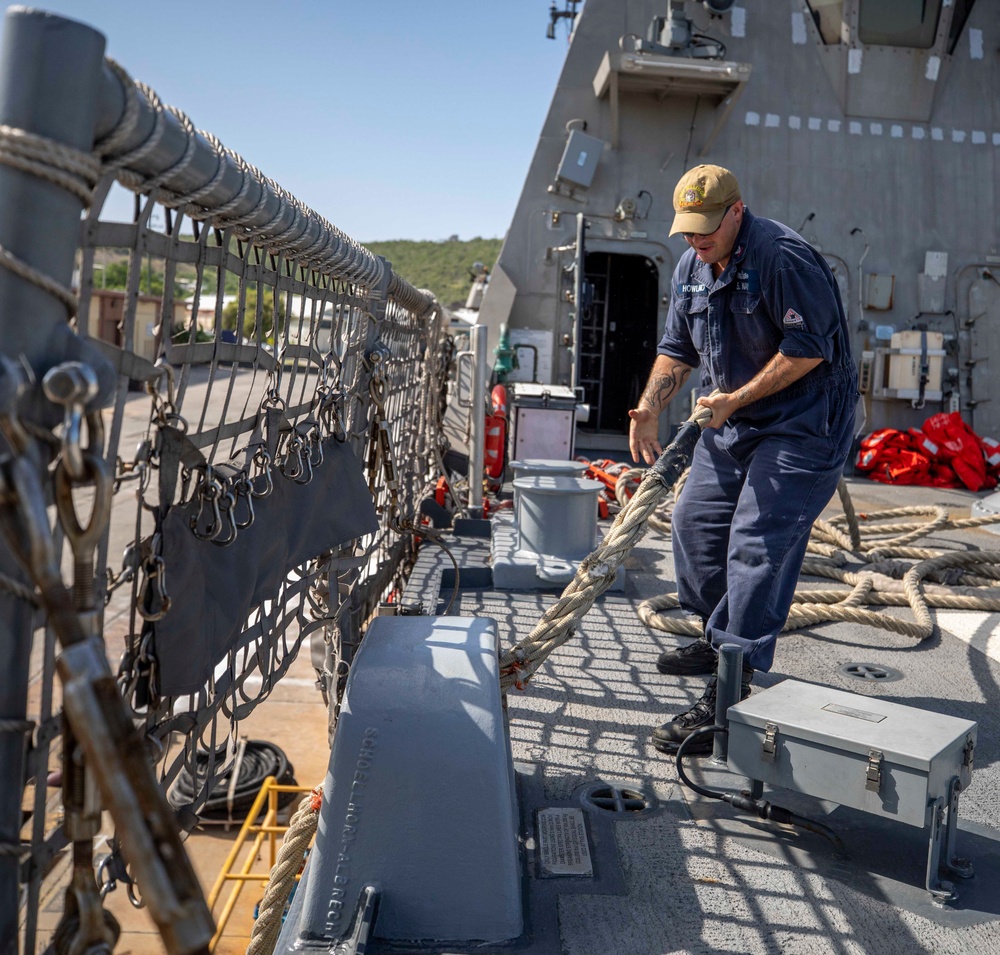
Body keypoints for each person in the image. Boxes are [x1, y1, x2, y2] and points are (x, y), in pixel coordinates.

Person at [628, 164, 858, 755]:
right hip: (733, 427)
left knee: (756, 546)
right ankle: (715, 641)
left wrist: (735, 399)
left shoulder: (784, 258)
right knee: (694, 527)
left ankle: (731, 688)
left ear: (737, 211)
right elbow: (677, 348)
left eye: (706, 228)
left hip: (803, 427)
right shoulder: (691, 267)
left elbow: (807, 350)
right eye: (687, 230)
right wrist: (650, 407)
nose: (695, 241)